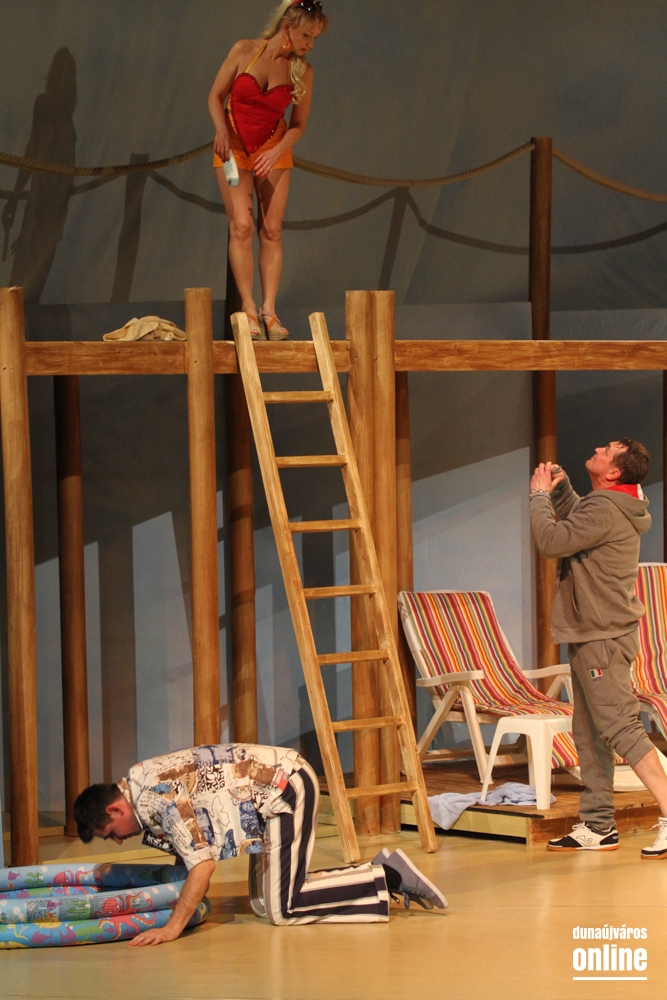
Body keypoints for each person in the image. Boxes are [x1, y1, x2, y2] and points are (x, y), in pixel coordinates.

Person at [73, 743, 447, 946]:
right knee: (262, 903)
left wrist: (172, 928)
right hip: (265, 795)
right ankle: (378, 874)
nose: (119, 840)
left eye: (112, 832)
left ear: (114, 809)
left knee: (284, 909)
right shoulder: (137, 780)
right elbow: (186, 849)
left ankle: (386, 875)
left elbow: (202, 866)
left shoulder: (155, 798)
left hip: (285, 786)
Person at [529, 439, 667, 857]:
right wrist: (562, 493)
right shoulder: (610, 505)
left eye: (607, 450)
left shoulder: (606, 508)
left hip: (601, 637)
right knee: (589, 733)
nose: (598, 448)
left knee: (621, 727)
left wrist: (539, 497)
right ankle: (597, 824)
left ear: (613, 472)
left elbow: (552, 541)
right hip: (593, 634)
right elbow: (580, 525)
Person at [208, 0, 327, 342]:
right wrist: (220, 131)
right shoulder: (244, 50)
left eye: (315, 38)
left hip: (273, 148)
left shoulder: (302, 71)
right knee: (242, 225)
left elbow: (298, 124)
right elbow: (215, 97)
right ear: (287, 27)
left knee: (272, 230)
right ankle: (248, 309)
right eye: (306, 35)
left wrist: (277, 151)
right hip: (232, 149)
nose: (310, 44)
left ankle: (269, 311)